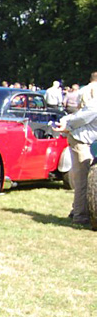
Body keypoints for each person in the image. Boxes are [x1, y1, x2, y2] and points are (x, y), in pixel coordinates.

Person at [54, 72, 97, 226]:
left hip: (90, 141)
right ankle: (80, 216)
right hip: (80, 139)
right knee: (83, 179)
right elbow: (82, 116)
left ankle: (77, 211)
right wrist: (68, 125)